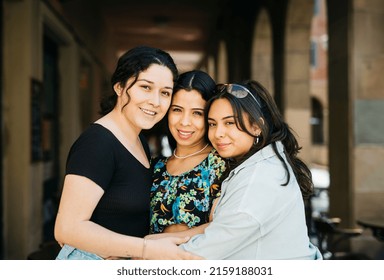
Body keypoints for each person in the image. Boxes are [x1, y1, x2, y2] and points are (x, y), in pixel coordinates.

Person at [54, 46, 201, 260]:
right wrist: (145, 248)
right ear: (120, 87)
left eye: (165, 93)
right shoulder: (98, 143)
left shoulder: (139, 140)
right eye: (145, 87)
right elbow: (67, 229)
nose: (156, 102)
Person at [180, 80, 323, 259]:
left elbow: (196, 256)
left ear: (256, 127)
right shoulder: (261, 164)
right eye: (213, 124)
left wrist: (142, 249)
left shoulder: (258, 180)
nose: (218, 133)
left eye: (230, 123)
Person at [149, 70, 226, 235]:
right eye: (177, 110)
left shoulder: (221, 165)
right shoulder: (154, 168)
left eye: (197, 113)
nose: (184, 122)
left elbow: (224, 228)